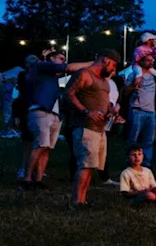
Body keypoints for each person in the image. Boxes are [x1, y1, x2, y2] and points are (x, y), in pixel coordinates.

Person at [21, 48, 91, 190]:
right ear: (51, 59)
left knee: (47, 148)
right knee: (40, 145)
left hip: (54, 114)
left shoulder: (50, 76)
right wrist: (93, 63)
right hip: (41, 111)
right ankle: (27, 179)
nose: (63, 61)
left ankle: (38, 179)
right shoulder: (42, 66)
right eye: (60, 58)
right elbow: (69, 68)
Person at [65, 50, 121, 206]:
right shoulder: (84, 74)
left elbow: (105, 103)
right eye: (113, 65)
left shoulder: (104, 81)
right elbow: (69, 94)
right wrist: (86, 111)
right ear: (105, 60)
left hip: (100, 129)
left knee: (91, 167)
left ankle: (82, 200)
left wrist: (111, 113)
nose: (114, 70)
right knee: (85, 165)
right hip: (85, 127)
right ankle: (77, 201)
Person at [122, 54, 156, 167]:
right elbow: (125, 90)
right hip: (137, 110)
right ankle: (130, 163)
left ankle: (146, 164)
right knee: (133, 139)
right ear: (141, 62)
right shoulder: (134, 74)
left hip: (151, 111)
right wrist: (134, 86)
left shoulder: (154, 75)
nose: (151, 62)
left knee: (149, 140)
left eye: (152, 60)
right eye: (148, 60)